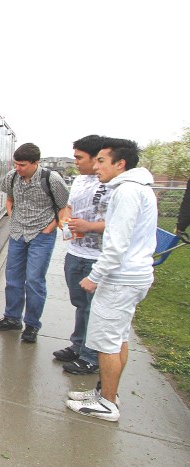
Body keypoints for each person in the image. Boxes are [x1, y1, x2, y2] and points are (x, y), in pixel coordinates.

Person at [67, 138, 157, 422]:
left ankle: (106, 403)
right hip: (132, 276)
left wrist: (94, 277)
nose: (96, 167)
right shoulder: (138, 188)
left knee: (106, 343)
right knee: (118, 339)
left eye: (102, 161)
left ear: (121, 164)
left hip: (121, 278)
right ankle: (107, 392)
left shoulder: (127, 192)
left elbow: (117, 243)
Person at [0, 143, 69, 342]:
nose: (18, 168)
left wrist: (49, 229)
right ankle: (12, 318)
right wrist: (11, 216)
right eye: (16, 164)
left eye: (23, 165)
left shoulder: (52, 179)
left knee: (34, 281)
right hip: (18, 234)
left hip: (41, 235)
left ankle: (32, 325)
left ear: (36, 163)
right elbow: (9, 199)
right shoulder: (12, 177)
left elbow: (63, 208)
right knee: (13, 279)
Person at [53, 135, 111, 375]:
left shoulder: (110, 183)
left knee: (92, 308)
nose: (75, 161)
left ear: (95, 158)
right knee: (80, 304)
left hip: (97, 256)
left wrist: (89, 227)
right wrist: (64, 220)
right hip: (75, 252)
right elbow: (68, 207)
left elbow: (119, 223)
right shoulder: (79, 181)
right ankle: (78, 346)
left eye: (79, 157)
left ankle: (91, 357)